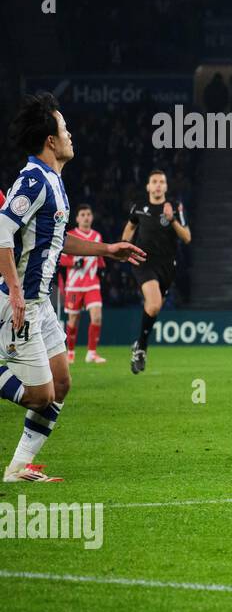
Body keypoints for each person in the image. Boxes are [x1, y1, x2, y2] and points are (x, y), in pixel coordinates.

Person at [0, 92, 145, 482]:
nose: (70, 134)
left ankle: (17, 468)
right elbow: (2, 229)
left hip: (41, 302)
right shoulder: (33, 179)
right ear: (50, 140)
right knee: (39, 395)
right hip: (19, 302)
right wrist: (14, 288)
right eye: (64, 128)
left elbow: (57, 239)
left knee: (61, 383)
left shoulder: (54, 182)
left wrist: (106, 250)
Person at [122, 170, 192, 374]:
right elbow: (130, 228)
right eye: (154, 182)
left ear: (166, 186)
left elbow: (187, 237)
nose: (158, 185)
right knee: (153, 305)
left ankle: (139, 345)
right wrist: (124, 247)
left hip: (167, 266)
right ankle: (142, 349)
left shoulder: (175, 208)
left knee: (155, 308)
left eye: (162, 181)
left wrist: (172, 220)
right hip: (143, 261)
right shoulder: (139, 207)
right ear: (148, 186)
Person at [59, 204, 108, 364]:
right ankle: (70, 353)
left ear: (92, 217)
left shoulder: (97, 236)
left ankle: (91, 353)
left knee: (97, 317)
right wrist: (73, 261)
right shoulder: (71, 235)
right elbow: (60, 258)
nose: (86, 217)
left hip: (92, 283)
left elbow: (99, 256)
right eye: (83, 214)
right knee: (73, 320)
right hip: (74, 285)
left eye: (88, 214)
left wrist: (102, 268)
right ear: (77, 218)